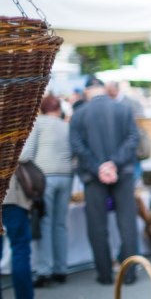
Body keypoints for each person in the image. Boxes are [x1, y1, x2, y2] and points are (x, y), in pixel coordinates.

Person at [69, 76, 140, 285]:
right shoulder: (123, 109)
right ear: (102, 89)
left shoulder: (79, 114)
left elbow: (77, 146)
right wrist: (113, 164)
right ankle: (130, 273)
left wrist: (99, 166)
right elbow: (133, 138)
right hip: (122, 172)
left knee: (97, 226)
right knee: (127, 223)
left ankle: (105, 274)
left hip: (94, 176)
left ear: (88, 91)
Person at [21, 95, 73, 288]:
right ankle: (61, 269)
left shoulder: (38, 124)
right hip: (66, 176)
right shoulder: (65, 125)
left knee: (45, 223)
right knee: (60, 224)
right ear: (58, 108)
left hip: (45, 177)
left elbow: (26, 154)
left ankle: (45, 270)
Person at [1, 154, 36, 298]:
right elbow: (25, 155)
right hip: (11, 197)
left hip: (10, 197)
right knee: (20, 248)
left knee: (19, 248)